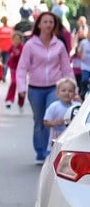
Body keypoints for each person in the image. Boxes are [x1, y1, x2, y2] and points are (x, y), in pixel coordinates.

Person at [15, 11, 76, 163]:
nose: (48, 24)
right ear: (39, 25)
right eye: (45, 21)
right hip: (35, 88)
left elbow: (66, 68)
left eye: (51, 22)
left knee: (51, 117)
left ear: (54, 25)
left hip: (54, 88)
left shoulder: (59, 45)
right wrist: (21, 87)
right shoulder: (30, 44)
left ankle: (50, 151)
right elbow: (22, 67)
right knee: (39, 120)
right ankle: (40, 151)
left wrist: (73, 89)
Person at [43, 78, 80, 145]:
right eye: (63, 90)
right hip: (56, 139)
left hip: (71, 139)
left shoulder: (76, 106)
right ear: (57, 93)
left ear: (74, 93)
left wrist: (80, 101)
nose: (67, 93)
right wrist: (55, 123)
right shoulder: (54, 106)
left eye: (70, 91)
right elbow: (45, 121)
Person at [5, 31, 25, 111]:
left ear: (21, 40)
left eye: (17, 39)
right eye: (14, 39)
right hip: (13, 68)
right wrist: (7, 63)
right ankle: (9, 100)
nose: (16, 41)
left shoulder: (23, 48)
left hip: (21, 69)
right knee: (14, 82)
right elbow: (10, 56)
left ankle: (21, 102)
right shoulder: (11, 47)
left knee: (21, 86)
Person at [76, 32, 90, 99]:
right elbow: (79, 51)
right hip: (85, 66)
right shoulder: (83, 42)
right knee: (84, 80)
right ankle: (83, 92)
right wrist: (81, 57)